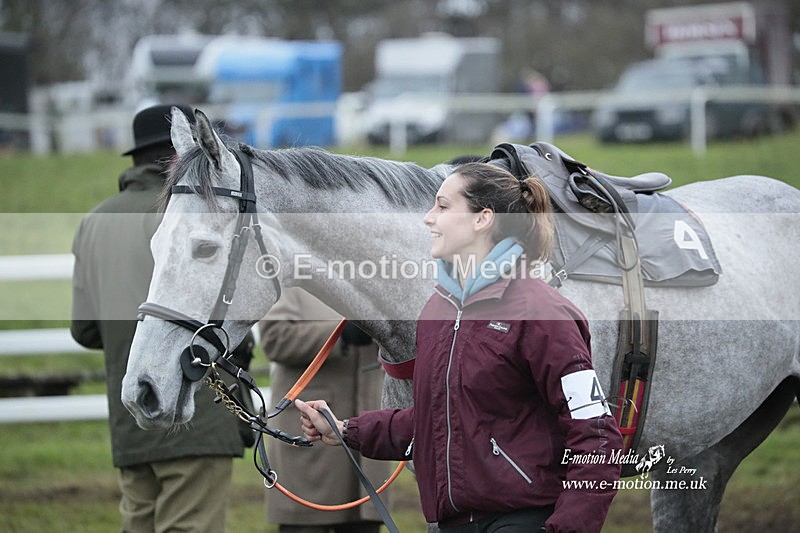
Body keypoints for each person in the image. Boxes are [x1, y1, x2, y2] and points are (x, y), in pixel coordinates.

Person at [295, 162, 623, 532]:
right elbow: (435, 418)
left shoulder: (543, 313)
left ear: (483, 219)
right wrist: (344, 429)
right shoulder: (436, 311)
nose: (428, 218)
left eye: (443, 206)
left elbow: (596, 435)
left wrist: (567, 528)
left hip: (523, 518)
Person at [71, 104, 253, 533]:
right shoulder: (200, 214)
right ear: (180, 152)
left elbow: (84, 330)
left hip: (131, 417)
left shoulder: (93, 222)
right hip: (198, 414)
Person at [258, 287, 391, 533]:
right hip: (311, 443)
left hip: (367, 439)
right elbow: (274, 338)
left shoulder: (374, 281)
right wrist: (340, 334)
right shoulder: (293, 282)